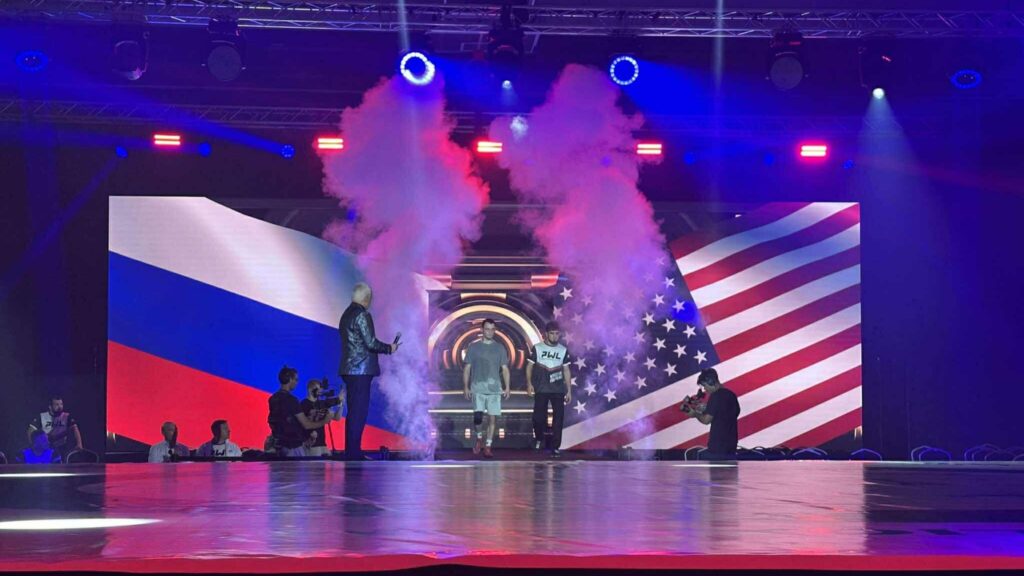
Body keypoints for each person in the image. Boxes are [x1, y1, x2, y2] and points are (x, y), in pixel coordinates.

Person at [338, 282, 399, 460]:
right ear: (366, 299)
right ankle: (354, 452)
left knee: (353, 411)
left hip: (349, 369)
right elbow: (370, 343)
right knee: (359, 412)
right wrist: (390, 348)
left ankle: (352, 450)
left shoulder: (346, 314)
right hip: (361, 370)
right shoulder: (362, 315)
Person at [462, 318, 511, 458]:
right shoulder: (473, 347)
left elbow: (505, 369)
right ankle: (479, 437)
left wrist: (507, 387)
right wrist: (465, 387)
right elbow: (467, 368)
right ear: (482, 330)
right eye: (487, 329)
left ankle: (488, 446)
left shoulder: (500, 348)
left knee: (492, 419)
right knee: (478, 418)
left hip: (495, 388)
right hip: (477, 387)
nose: (490, 331)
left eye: (492, 329)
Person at [526, 321, 573, 458]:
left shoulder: (563, 350)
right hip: (541, 388)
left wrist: (569, 390)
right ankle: (539, 438)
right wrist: (529, 384)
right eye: (551, 333)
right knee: (538, 418)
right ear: (546, 334)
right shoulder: (537, 348)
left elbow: (566, 370)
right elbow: (529, 367)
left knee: (558, 419)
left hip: (558, 389)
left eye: (557, 334)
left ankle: (555, 447)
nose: (554, 336)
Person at [268, 366, 335, 457]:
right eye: (296, 379)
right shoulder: (291, 400)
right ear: (290, 379)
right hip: (293, 447)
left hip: (278, 445)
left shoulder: (273, 399)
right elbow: (307, 425)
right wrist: (325, 421)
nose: (297, 383)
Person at [680, 368, 741, 459]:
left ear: (711, 382)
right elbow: (730, 414)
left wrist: (695, 414)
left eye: (704, 386)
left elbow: (706, 420)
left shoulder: (715, 396)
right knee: (730, 472)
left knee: (714, 472)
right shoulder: (731, 395)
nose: (705, 389)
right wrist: (707, 409)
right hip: (731, 446)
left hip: (717, 447)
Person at [27, 396, 82, 460]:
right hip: (45, 447)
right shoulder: (42, 416)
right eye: (57, 404)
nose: (60, 407)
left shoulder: (66, 416)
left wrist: (79, 443)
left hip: (62, 446)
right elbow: (30, 430)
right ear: (50, 406)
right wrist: (32, 444)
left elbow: (75, 429)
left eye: (61, 404)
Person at [301, 379, 343, 457]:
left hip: (323, 444)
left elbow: (337, 418)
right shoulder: (304, 404)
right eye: (317, 389)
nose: (319, 392)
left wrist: (341, 405)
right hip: (311, 444)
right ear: (310, 389)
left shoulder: (321, 403)